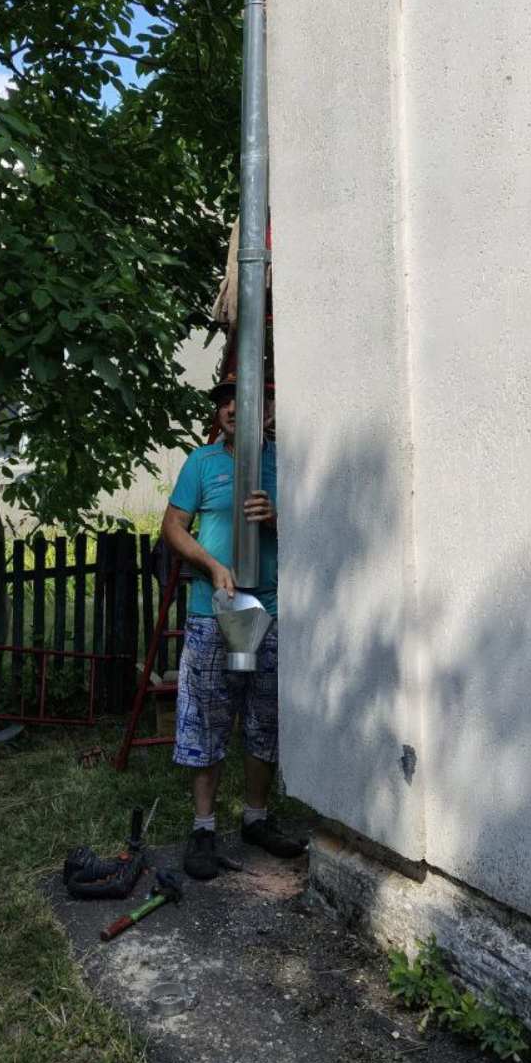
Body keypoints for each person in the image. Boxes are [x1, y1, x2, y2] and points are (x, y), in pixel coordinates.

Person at [161, 373, 305, 881]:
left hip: (271, 609)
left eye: (240, 400)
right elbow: (173, 527)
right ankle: (203, 828)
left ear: (266, 411)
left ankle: (255, 819)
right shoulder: (201, 463)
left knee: (265, 716)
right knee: (207, 717)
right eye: (223, 401)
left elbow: (312, 531)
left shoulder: (284, 462)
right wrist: (210, 564)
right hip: (213, 611)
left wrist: (277, 519)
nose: (230, 408)